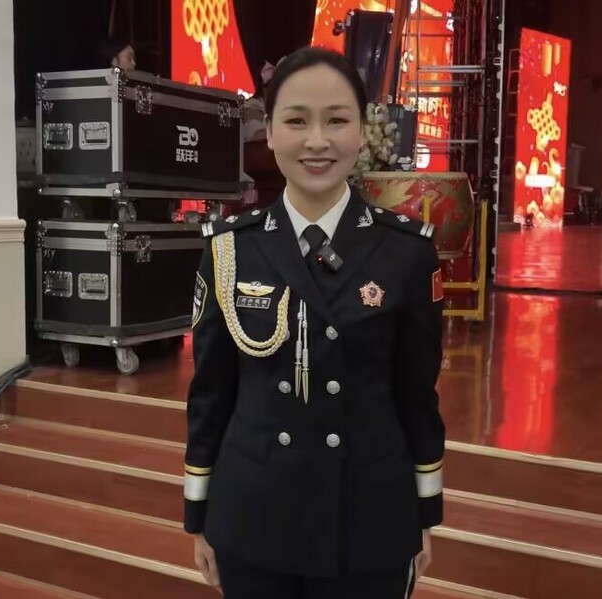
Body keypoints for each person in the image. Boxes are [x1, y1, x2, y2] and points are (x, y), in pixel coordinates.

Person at [183, 46, 446, 598]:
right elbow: (211, 394)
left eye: (337, 120)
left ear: (363, 132)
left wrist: (424, 513)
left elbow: (417, 395)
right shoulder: (230, 249)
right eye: (297, 121)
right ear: (269, 132)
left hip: (370, 520)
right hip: (253, 514)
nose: (318, 141)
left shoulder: (406, 253)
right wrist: (198, 514)